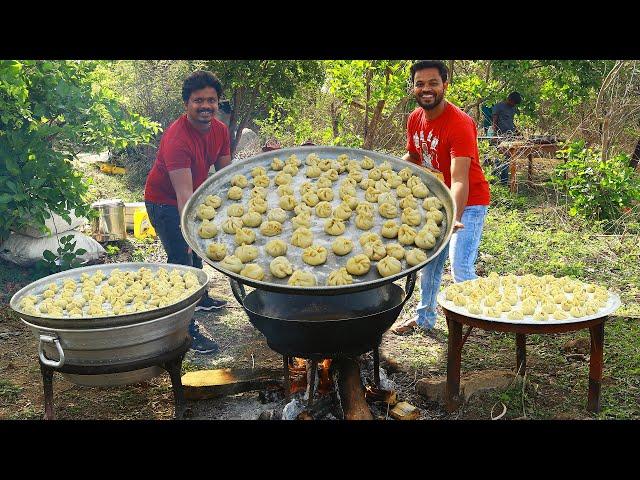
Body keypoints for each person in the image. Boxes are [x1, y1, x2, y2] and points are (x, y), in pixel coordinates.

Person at [392, 60, 491, 335]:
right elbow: (414, 156)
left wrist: (455, 218)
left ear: (445, 85)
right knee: (430, 263)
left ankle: (478, 318)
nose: (426, 89)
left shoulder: (460, 124)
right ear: (413, 88)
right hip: (434, 201)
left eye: (433, 83)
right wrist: (388, 170)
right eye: (420, 84)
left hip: (468, 202)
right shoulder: (415, 118)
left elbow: (459, 178)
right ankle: (424, 319)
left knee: (460, 265)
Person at [144, 70, 232, 354]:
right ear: (186, 103)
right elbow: (182, 195)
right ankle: (186, 329)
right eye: (198, 101)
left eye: (211, 100)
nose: (205, 106)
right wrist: (189, 236)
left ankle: (202, 297)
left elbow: (226, 177)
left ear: (218, 102)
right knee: (182, 260)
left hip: (193, 198)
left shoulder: (219, 130)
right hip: (165, 202)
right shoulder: (177, 139)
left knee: (197, 257)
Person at [492, 91, 522, 185]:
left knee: (507, 159)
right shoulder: (498, 106)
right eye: (513, 102)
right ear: (509, 99)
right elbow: (494, 122)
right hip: (500, 137)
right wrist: (495, 135)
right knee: (498, 159)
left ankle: (504, 182)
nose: (514, 105)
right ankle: (494, 181)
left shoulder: (512, 109)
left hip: (510, 137)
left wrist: (517, 132)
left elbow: (510, 122)